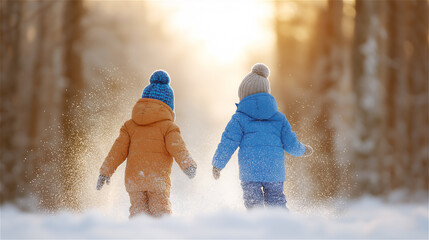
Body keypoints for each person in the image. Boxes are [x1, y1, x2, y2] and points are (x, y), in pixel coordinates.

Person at [96, 70, 197, 218]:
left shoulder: (129, 126)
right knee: (161, 216)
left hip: (134, 180)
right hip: (157, 180)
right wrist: (188, 165)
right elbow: (177, 147)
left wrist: (105, 172)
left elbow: (117, 151)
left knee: (138, 217)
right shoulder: (168, 127)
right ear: (169, 107)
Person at [212, 63, 313, 209]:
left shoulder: (239, 118)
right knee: (277, 204)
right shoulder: (279, 119)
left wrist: (218, 164)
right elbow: (291, 144)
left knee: (254, 208)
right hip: (274, 173)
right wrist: (303, 150)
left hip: (250, 174)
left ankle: (257, 228)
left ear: (244, 96)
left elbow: (228, 142)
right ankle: (282, 228)